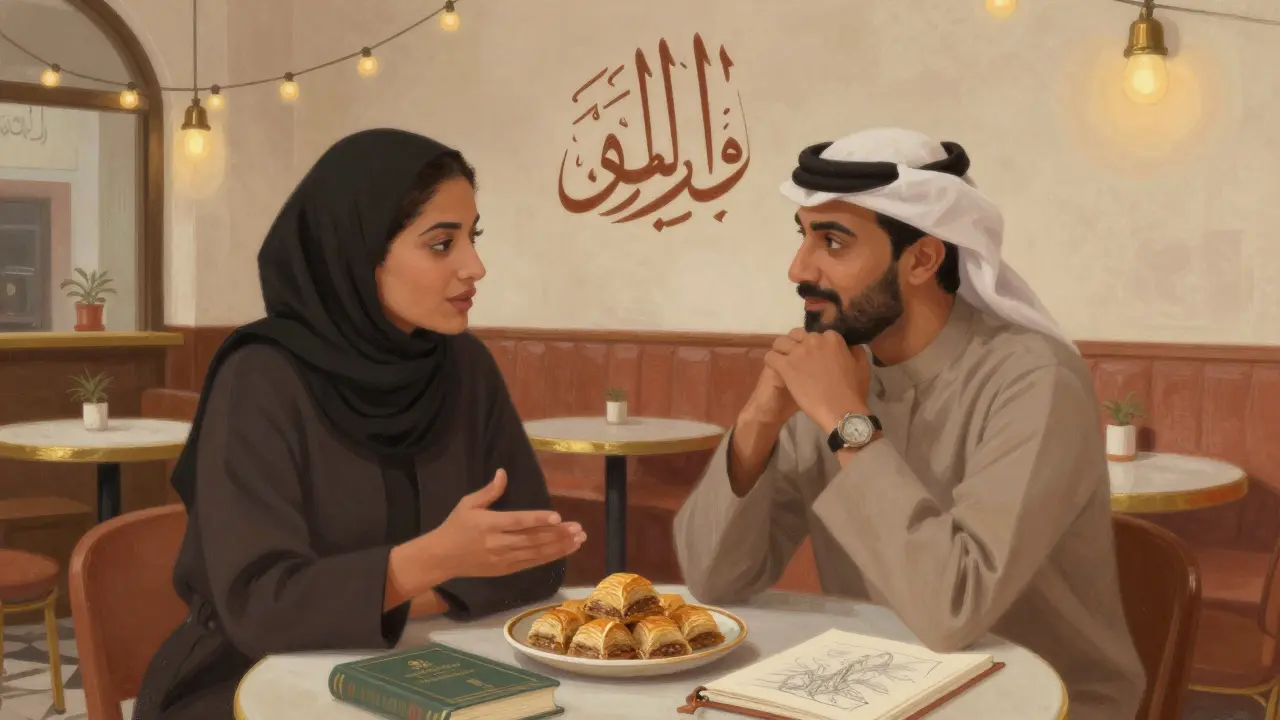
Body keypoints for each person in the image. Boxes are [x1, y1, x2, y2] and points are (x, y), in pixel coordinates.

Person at [672, 127, 1145, 718]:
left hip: (1044, 703)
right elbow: (717, 582)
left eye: (833, 243)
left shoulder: (1034, 381)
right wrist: (760, 417)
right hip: (875, 690)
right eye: (803, 237)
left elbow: (954, 612)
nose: (799, 268)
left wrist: (848, 422)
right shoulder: (837, 370)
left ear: (921, 259)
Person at [133, 129, 585, 719]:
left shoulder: (465, 367)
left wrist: (384, 594)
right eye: (441, 244)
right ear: (355, 248)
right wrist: (433, 563)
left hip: (433, 666)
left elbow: (536, 557)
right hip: (244, 683)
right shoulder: (261, 377)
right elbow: (259, 610)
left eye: (471, 238)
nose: (475, 266)